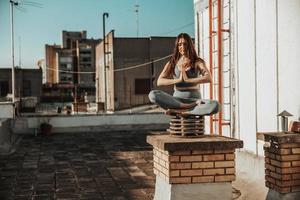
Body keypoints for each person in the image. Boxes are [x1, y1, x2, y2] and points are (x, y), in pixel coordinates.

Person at [148, 33, 219, 116]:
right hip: (176, 101)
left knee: (215, 105)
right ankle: (187, 108)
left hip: (196, 101)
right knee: (153, 95)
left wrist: (188, 80)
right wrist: (178, 80)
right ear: (177, 47)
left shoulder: (197, 62)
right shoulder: (172, 63)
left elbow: (208, 78)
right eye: (179, 44)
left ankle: (183, 111)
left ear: (190, 45)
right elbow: (160, 81)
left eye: (185, 44)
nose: (182, 47)